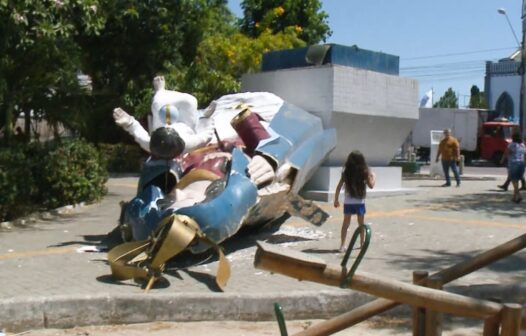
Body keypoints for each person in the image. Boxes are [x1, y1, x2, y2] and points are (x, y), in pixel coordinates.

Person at [333, 150, 375, 252]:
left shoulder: (346, 173)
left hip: (348, 202)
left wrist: (336, 200)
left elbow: (338, 187)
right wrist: (373, 176)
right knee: (361, 224)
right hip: (359, 202)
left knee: (345, 224)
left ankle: (342, 245)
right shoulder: (365, 172)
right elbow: (371, 186)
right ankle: (361, 243)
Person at [500, 132, 526, 203]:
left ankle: (519, 196)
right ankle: (514, 198)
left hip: (514, 163)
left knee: (514, 180)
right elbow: (524, 155)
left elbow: (506, 152)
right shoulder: (523, 145)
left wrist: (502, 160)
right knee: (516, 180)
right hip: (522, 164)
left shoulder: (511, 145)